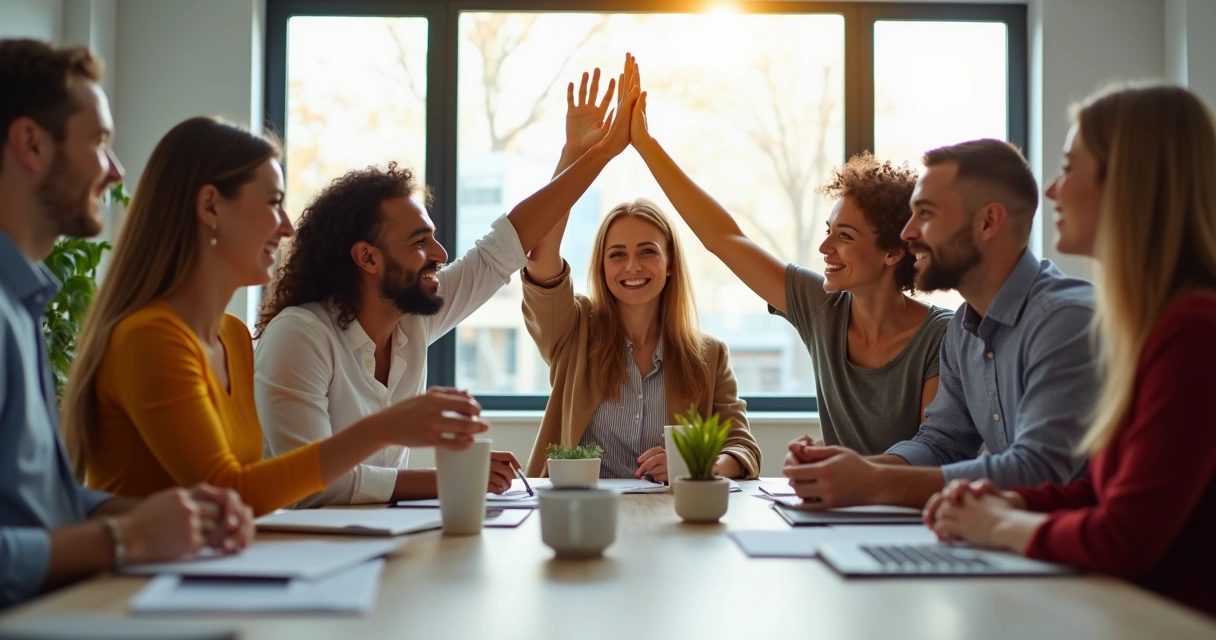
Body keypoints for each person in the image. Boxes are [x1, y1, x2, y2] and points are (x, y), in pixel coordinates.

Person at [60, 117, 490, 517]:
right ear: (210, 207)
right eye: (273, 203)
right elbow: (229, 493)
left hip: (210, 573)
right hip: (137, 589)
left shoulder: (230, 335)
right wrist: (384, 429)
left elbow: (256, 486)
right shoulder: (151, 338)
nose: (286, 227)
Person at [253, 63, 636, 507]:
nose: (440, 254)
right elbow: (311, 484)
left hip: (378, 544)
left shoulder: (410, 322)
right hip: (301, 555)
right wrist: (458, 477)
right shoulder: (300, 335)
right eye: (420, 242)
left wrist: (586, 154)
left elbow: (502, 250)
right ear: (367, 257)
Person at [925, 83, 1216, 617]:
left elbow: (1124, 537)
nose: (1053, 192)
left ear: (1131, 182)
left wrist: (997, 524)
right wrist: (1013, 501)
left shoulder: (1196, 329)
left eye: (1069, 167)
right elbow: (1106, 494)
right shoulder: (1154, 325)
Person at [0, 39, 254, 608]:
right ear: (31, 144)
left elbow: (37, 502)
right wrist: (122, 538)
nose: (115, 172)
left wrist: (149, 515)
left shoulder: (21, 305)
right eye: (99, 142)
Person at [630, 91, 951, 455]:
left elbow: (932, 452)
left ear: (894, 251)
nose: (825, 249)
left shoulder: (941, 337)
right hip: (838, 503)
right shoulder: (820, 307)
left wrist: (846, 471)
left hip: (914, 511)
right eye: (828, 232)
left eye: (844, 236)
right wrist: (646, 145)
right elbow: (723, 238)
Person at [782, 138, 1097, 509]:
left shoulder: (1065, 321)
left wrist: (875, 482)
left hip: (1087, 558)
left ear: (988, 222)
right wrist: (847, 469)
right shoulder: (963, 329)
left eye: (926, 214)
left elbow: (1039, 470)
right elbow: (941, 444)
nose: (907, 233)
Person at [522, 55, 761, 480]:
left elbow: (742, 448)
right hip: (578, 513)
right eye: (617, 254)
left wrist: (698, 463)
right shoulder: (573, 332)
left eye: (648, 251)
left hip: (672, 518)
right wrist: (574, 156)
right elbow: (540, 255)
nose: (632, 265)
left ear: (670, 264)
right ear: (601, 265)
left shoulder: (709, 356)